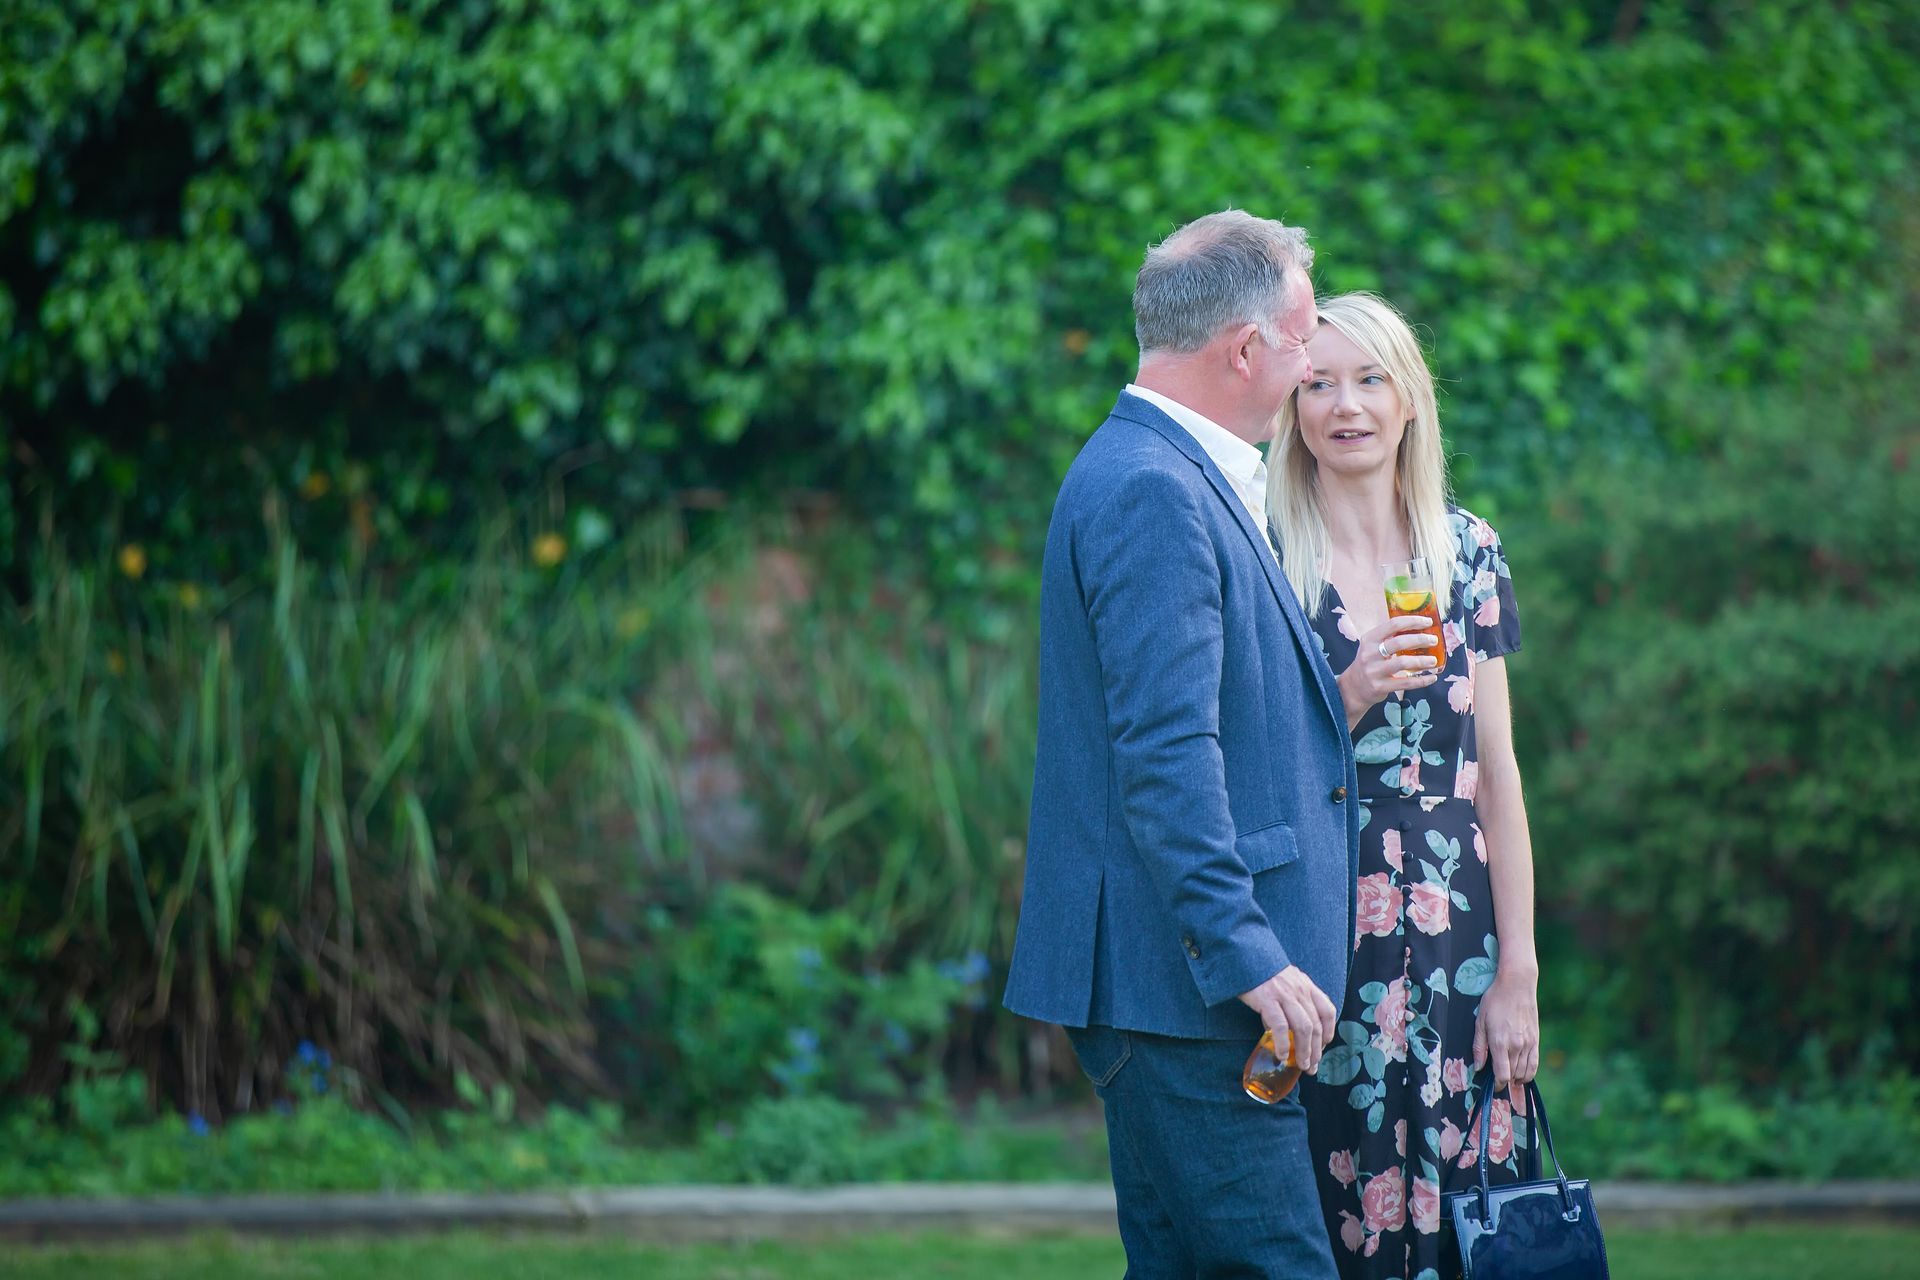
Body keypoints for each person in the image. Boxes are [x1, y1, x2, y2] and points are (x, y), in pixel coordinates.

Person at [1004, 210, 1359, 1278]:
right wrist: (1249, 950)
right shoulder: (1157, 488)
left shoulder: (1158, 466)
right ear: (1245, 349)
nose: (1311, 365)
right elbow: (1165, 757)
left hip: (1167, 986)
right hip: (1187, 990)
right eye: (1301, 341)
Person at [1268, 292, 1541, 1279]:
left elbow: (1497, 776)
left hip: (1459, 930)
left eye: (1370, 378)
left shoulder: (1468, 551)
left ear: (1409, 398)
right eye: (1319, 382)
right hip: (1323, 921)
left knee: (1476, 1210)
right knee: (1333, 1195)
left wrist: (1519, 971)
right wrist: (1349, 690)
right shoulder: (1268, 557)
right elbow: (1254, 768)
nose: (1347, 404)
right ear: (1293, 408)